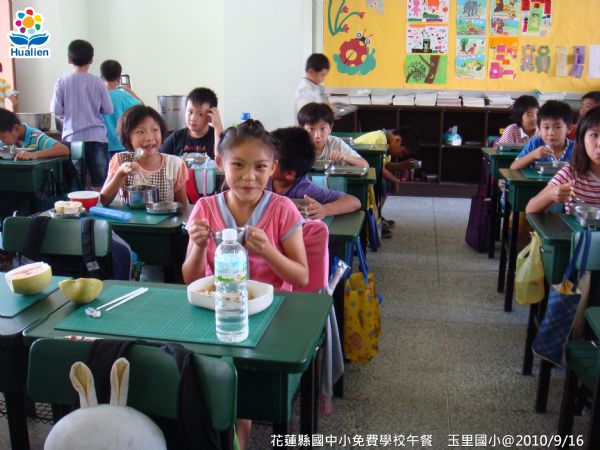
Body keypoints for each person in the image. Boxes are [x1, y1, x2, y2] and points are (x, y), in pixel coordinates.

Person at [182, 120, 308, 450]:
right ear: (219, 163)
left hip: (271, 317)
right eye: (237, 165)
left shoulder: (282, 209)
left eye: (260, 167)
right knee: (196, 383)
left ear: (273, 168)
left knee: (240, 394)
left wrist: (268, 252)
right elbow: (191, 279)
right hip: (216, 314)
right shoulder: (205, 209)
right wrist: (198, 246)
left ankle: (238, 429)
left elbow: (301, 276)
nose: (249, 177)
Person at [50, 39, 113, 191]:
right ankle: (100, 205)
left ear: (69, 59)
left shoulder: (62, 81)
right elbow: (108, 109)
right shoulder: (98, 82)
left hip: (72, 138)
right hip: (96, 137)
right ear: (91, 60)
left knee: (76, 183)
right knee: (100, 183)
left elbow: (55, 110)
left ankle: (78, 205)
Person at [100, 105, 188, 207]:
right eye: (140, 132)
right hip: (128, 218)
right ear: (128, 137)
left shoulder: (174, 165)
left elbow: (183, 207)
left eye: (155, 129)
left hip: (165, 218)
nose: (149, 137)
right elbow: (104, 200)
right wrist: (121, 174)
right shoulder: (121, 160)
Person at [268, 126, 361, 219]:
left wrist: (325, 210)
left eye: (268, 160)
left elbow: (354, 202)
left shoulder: (304, 190)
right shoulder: (265, 180)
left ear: (289, 174)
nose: (262, 163)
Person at [526, 105, 600, 213]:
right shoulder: (571, 173)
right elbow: (530, 209)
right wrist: (551, 194)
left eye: (557, 127)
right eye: (594, 135)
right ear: (582, 139)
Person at [159, 87, 223, 159]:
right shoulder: (176, 138)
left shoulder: (216, 136)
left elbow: (221, 159)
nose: (193, 118)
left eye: (200, 114)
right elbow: (157, 157)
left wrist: (218, 125)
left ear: (210, 115)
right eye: (190, 112)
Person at [297, 103, 368, 167]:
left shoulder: (336, 143)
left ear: (330, 128)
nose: (317, 135)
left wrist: (344, 157)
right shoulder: (297, 146)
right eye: (311, 129)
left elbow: (365, 165)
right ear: (302, 129)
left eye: (322, 128)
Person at [510, 100, 574, 170]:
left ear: (569, 128)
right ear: (539, 129)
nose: (551, 133)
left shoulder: (576, 149)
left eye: (557, 127)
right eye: (546, 128)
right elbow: (513, 167)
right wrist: (533, 155)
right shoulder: (535, 143)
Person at [99, 59, 142, 156]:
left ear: (101, 77)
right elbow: (142, 108)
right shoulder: (124, 96)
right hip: (121, 143)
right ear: (119, 78)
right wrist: (131, 92)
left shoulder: (96, 96)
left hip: (101, 143)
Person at [0, 108, 69, 160]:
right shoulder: (5, 142)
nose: (2, 141)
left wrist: (33, 155)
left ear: (16, 128)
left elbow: (64, 149)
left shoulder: (36, 137)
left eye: (4, 137)